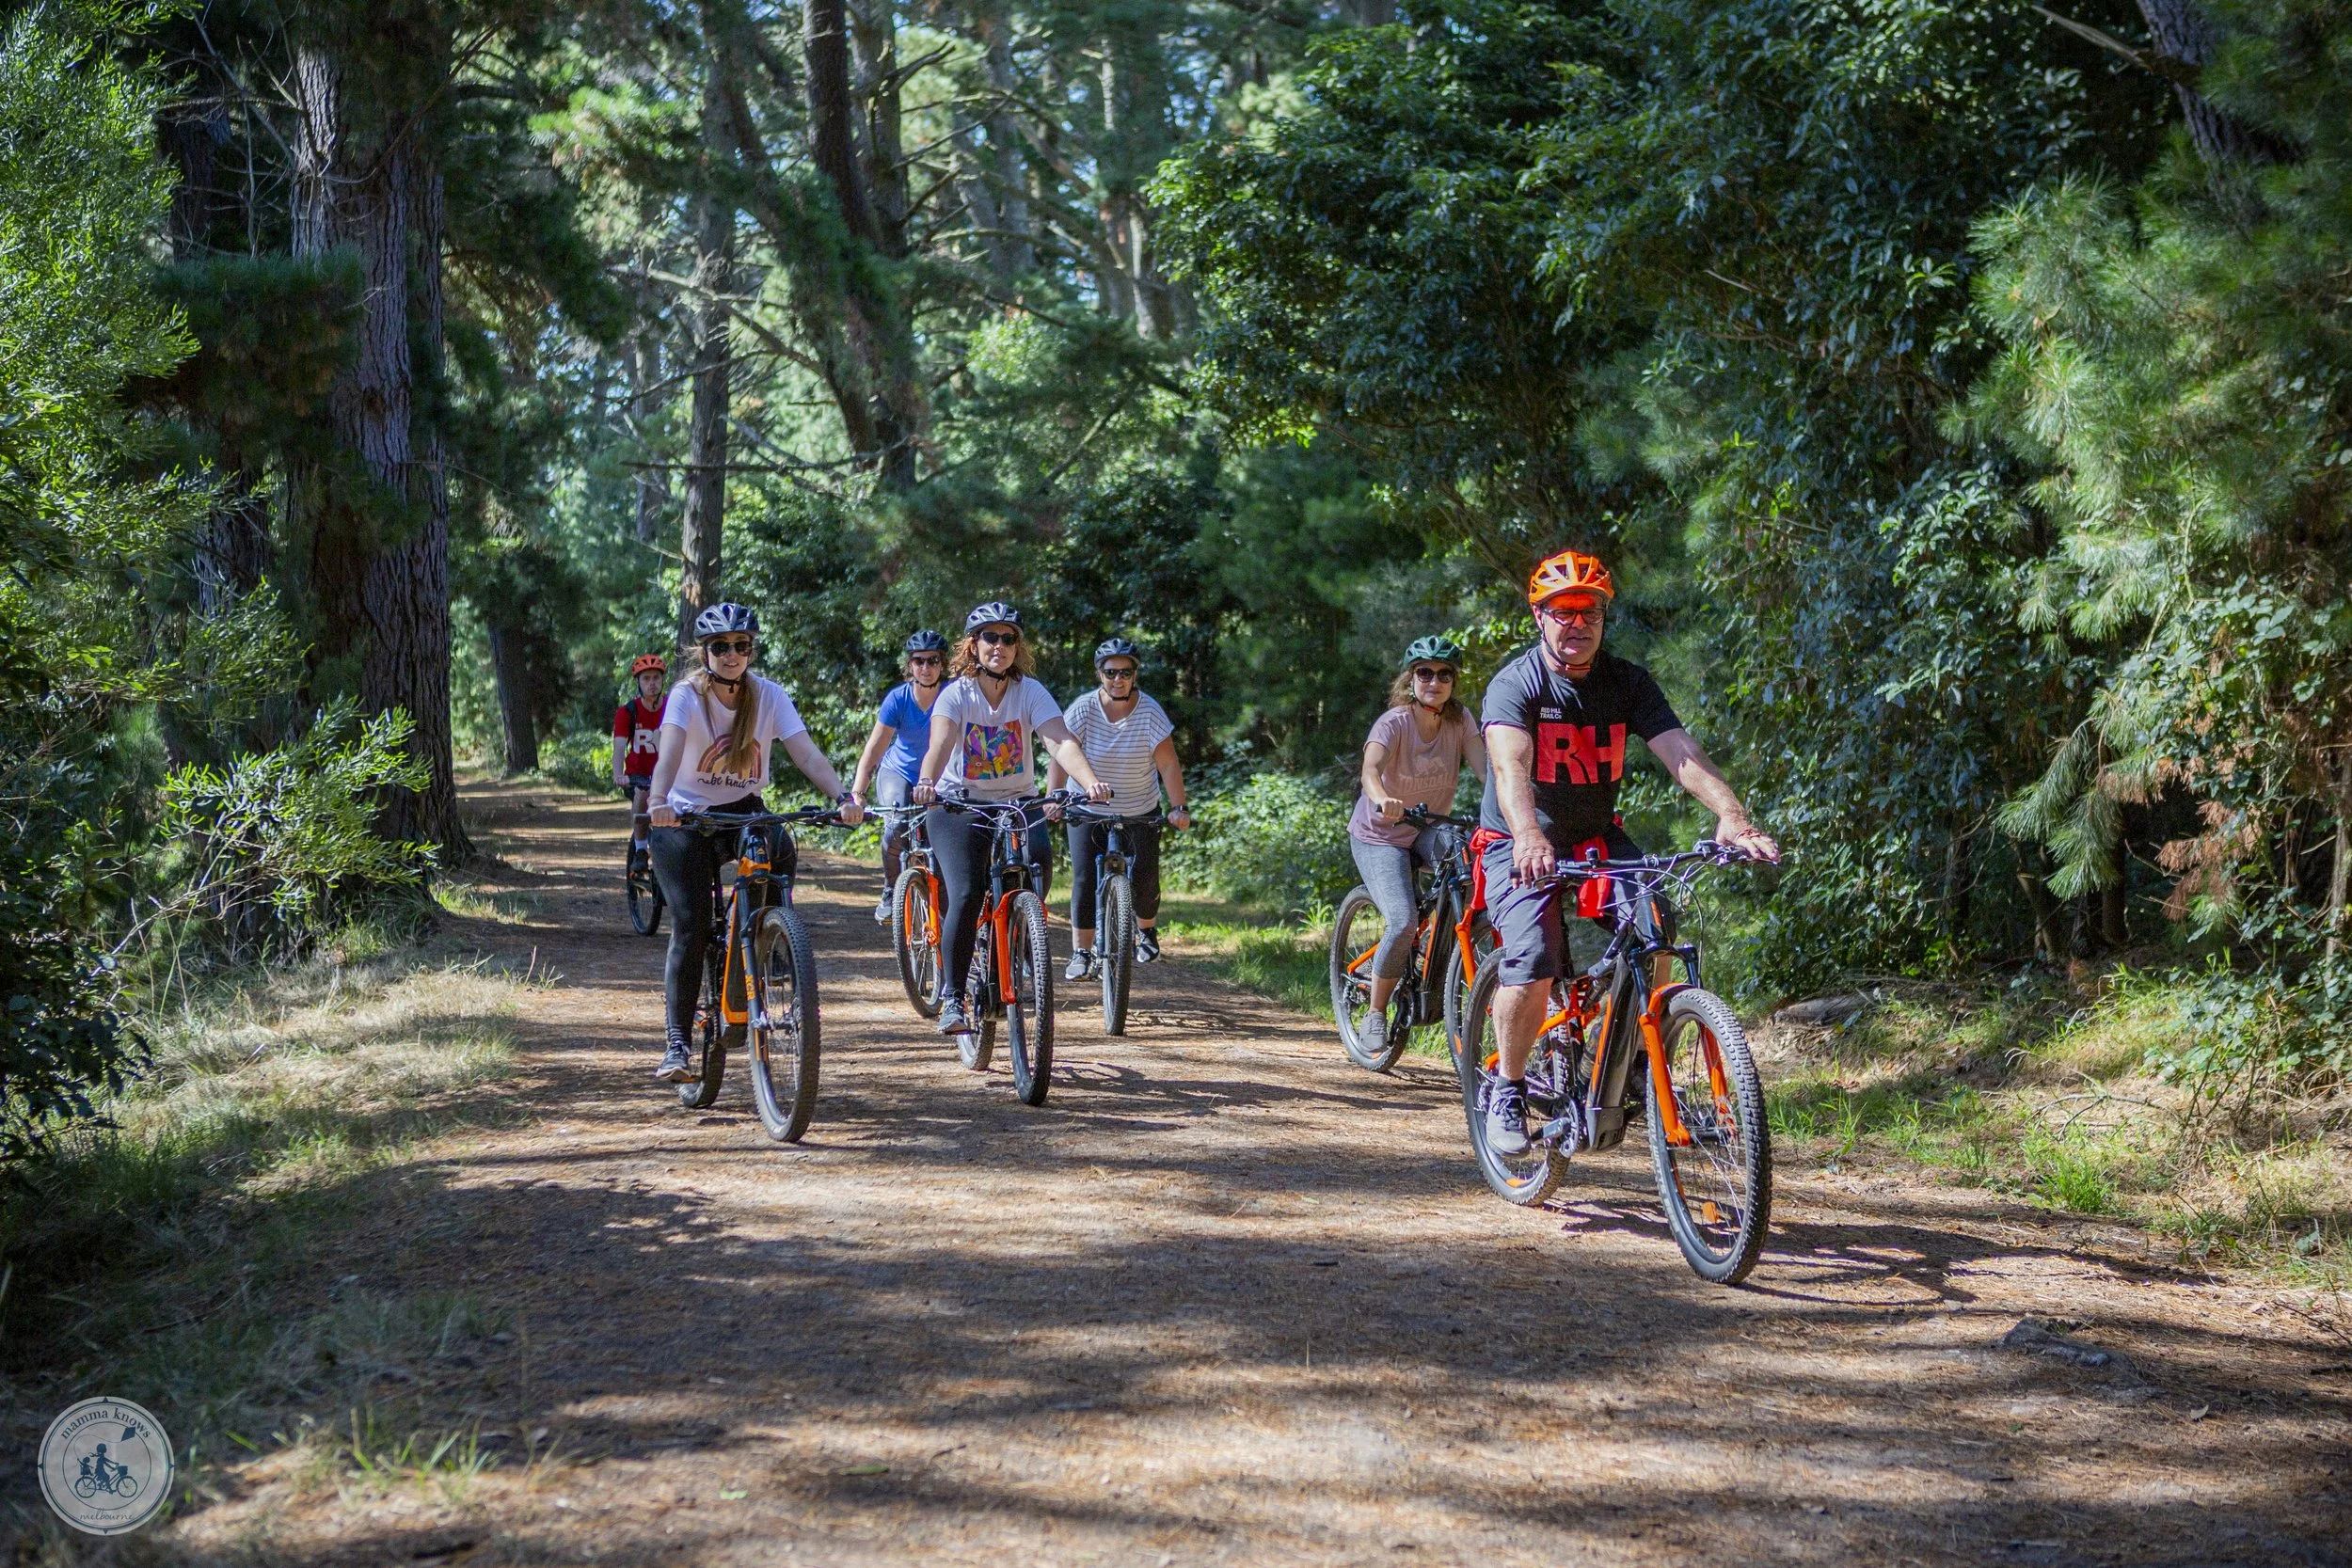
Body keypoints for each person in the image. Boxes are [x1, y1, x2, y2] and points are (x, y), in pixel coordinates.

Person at [1478, 550, 1779, 1154]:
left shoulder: (1628, 682)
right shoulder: (1516, 684)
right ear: (1539, 617)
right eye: (1562, 612)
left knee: (1656, 930)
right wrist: (1530, 836)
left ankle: (1640, 1061)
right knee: (1533, 958)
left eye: (1588, 610)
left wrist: (1733, 816)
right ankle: (1508, 1089)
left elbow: (1680, 752)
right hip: (1519, 839)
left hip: (1595, 838)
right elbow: (1510, 767)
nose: (1576, 623)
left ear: (1603, 618)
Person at [643, 604, 864, 1083]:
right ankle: (677, 1043)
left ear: (751, 650)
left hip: (742, 807)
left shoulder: (768, 695)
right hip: (684, 814)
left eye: (740, 646)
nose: (731, 654)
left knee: (780, 844)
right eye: (720, 646)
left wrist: (843, 795)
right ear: (704, 652)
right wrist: (658, 799)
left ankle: (768, 938)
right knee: (692, 924)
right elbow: (671, 751)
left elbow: (803, 749)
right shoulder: (686, 696)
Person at [910, 602, 1112, 1037]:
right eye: (989, 637)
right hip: (956, 802)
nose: (998, 646)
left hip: (1017, 800)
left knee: (1037, 862)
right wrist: (927, 780)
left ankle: (1022, 937)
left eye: (1008, 638)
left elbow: (1060, 740)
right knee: (965, 893)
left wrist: (1090, 781)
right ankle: (952, 997)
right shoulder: (956, 693)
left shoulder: (1030, 691)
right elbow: (941, 744)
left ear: (1018, 647)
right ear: (974, 645)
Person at [1347, 636, 1488, 1051]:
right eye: (1425, 672)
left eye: (1444, 674)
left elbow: (1487, 772)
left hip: (1427, 827)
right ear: (1411, 679)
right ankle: (1375, 1012)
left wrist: (1513, 807)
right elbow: (1370, 770)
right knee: (1403, 920)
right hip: (1381, 834)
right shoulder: (1393, 722)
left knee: (1468, 873)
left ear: (1453, 682)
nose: (1435, 681)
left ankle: (1431, 953)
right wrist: (1381, 798)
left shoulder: (1460, 721)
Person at [1047, 637, 1193, 979]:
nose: (1118, 679)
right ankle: (1082, 952)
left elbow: (1168, 765)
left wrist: (1179, 807)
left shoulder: (1150, 711)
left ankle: (1146, 931)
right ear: (1100, 674)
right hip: (1087, 809)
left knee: (1144, 877)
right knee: (1084, 878)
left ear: (1135, 674)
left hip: (1139, 808)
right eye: (1110, 672)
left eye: (1125, 672)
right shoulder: (1083, 709)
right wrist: (1055, 796)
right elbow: (1060, 753)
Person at [849, 629, 948, 922]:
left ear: (943, 664)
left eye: (933, 661)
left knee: (945, 837)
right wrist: (857, 792)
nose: (926, 668)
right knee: (897, 826)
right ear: (910, 665)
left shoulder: (953, 695)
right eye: (919, 661)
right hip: (899, 772)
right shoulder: (898, 699)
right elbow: (874, 749)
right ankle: (891, 889)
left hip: (942, 777)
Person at [612, 653, 668, 858]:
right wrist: (619, 774)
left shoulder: (673, 707)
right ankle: (641, 847)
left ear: (662, 681)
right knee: (643, 793)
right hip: (638, 775)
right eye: (646, 679)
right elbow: (619, 747)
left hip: (668, 773)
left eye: (656, 678)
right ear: (638, 682)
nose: (652, 683)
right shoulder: (628, 712)